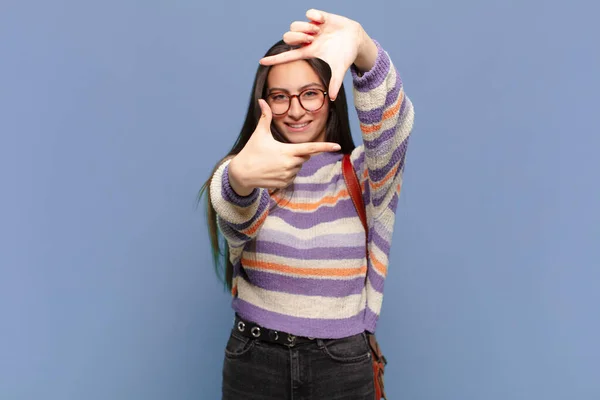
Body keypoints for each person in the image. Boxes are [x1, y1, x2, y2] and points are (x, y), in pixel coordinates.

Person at [199, 9, 415, 399]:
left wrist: (362, 46)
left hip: (341, 365)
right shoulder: (252, 174)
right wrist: (240, 179)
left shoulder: (364, 174)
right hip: (254, 358)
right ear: (262, 104)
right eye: (279, 97)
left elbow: (394, 125)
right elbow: (233, 214)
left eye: (310, 94)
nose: (295, 110)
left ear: (331, 98)